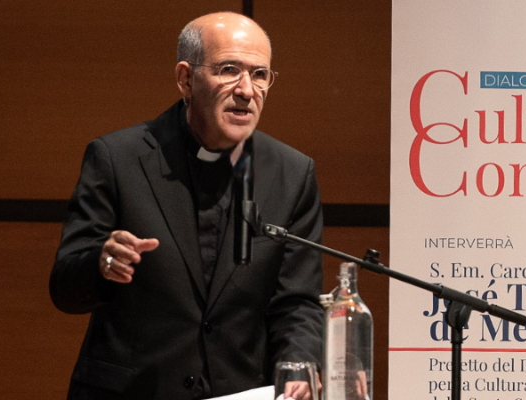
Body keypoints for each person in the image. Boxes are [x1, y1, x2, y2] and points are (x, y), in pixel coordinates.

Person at [50, 12, 323, 399]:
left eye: (260, 74)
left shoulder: (291, 174)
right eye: (229, 70)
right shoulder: (117, 158)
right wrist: (102, 263)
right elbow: (64, 286)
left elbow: (297, 302)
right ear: (186, 79)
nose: (247, 90)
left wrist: (299, 365)